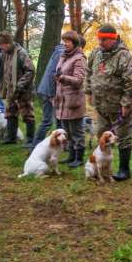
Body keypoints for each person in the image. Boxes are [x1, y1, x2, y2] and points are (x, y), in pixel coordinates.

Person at [85, 24, 132, 181]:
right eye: (99, 39)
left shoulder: (123, 56)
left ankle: (124, 170)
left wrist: (126, 104)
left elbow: (131, 81)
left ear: (113, 38)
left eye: (104, 40)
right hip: (101, 106)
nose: (100, 42)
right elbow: (89, 73)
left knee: (123, 137)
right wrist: (89, 91)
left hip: (119, 107)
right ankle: (103, 166)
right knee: (101, 134)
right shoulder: (96, 53)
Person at [54, 30, 87, 167]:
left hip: (73, 100)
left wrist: (63, 78)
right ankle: (71, 156)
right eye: (64, 40)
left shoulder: (79, 58)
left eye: (67, 41)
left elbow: (79, 80)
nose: (64, 43)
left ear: (74, 43)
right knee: (67, 131)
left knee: (77, 132)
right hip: (62, 100)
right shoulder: (63, 56)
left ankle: (79, 159)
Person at [0, 30, 35, 144]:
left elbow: (30, 71)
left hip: (23, 90)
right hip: (10, 90)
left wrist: (20, 85)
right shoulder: (4, 54)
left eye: (1, 44)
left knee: (27, 114)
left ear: (8, 43)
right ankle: (11, 138)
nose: (0, 47)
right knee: (10, 113)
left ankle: (30, 139)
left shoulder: (21, 53)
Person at [29, 42, 64, 149]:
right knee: (47, 120)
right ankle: (35, 145)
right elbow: (54, 74)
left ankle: (60, 143)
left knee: (59, 119)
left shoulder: (59, 50)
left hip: (50, 90)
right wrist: (52, 94)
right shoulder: (61, 53)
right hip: (49, 91)